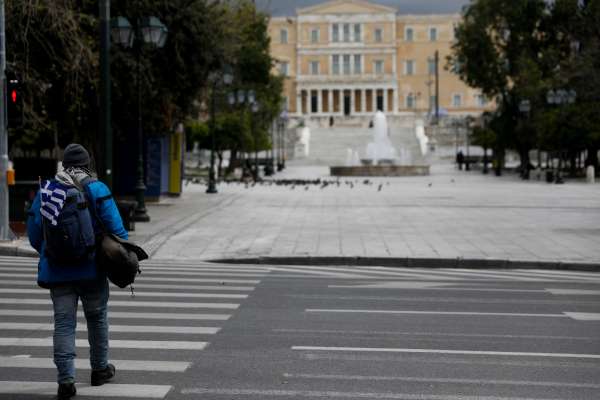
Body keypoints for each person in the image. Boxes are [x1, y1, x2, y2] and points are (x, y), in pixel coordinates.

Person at [27, 144, 128, 399]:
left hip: (58, 271)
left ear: (63, 166)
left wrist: (55, 254)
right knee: (96, 319)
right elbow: (117, 231)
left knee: (63, 323)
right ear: (87, 165)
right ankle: (99, 370)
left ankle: (65, 380)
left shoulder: (47, 192)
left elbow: (33, 236)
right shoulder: (97, 188)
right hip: (92, 269)